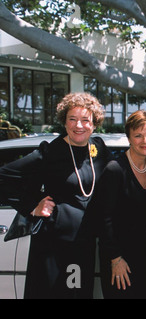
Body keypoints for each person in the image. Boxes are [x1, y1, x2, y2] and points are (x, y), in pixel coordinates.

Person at [0, 92, 111, 299]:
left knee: (78, 293)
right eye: (72, 119)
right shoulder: (51, 152)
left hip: (83, 243)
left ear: (94, 123)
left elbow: (115, 181)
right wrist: (32, 206)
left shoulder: (99, 148)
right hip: (54, 245)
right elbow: (5, 175)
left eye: (85, 120)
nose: (79, 125)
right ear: (64, 122)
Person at [89, 110, 146, 299]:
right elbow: (103, 218)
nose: (145, 140)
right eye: (138, 135)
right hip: (119, 259)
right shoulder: (115, 170)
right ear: (128, 137)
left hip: (145, 254)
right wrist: (115, 258)